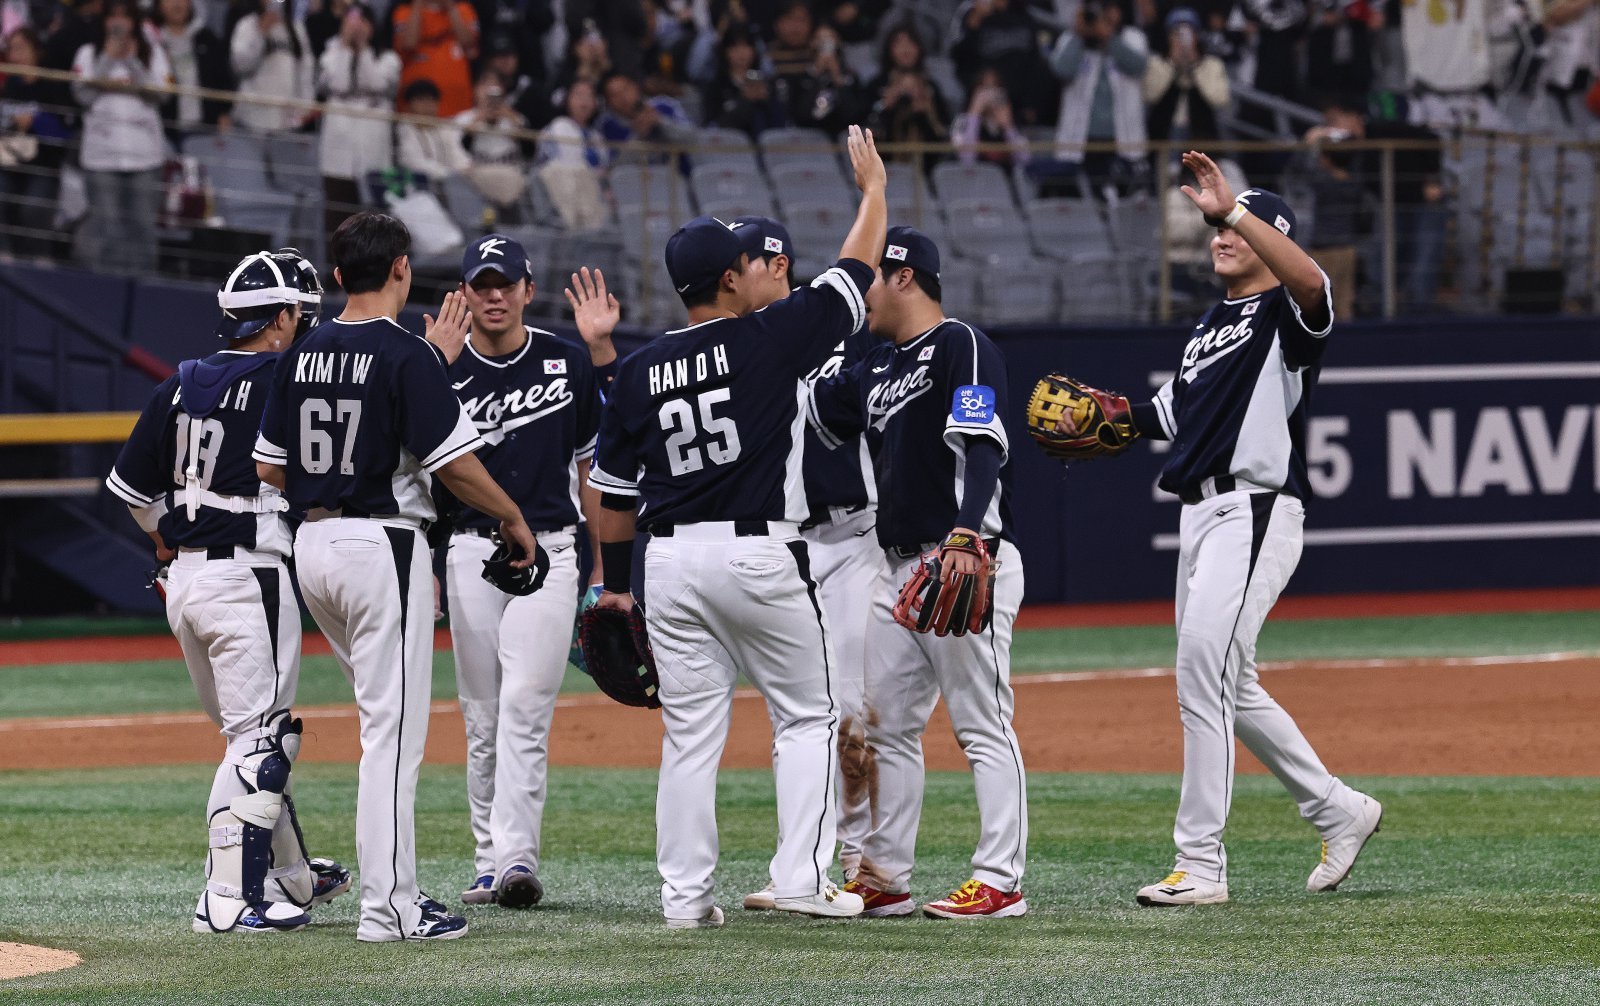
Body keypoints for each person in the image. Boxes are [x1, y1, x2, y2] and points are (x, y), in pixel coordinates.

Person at [1058, 152, 1382, 906]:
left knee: (1200, 675)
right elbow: (1169, 415)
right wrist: (1108, 419)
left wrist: (1237, 208)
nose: (1219, 235)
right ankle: (1338, 809)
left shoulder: (1286, 316)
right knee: (1227, 683)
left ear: (1273, 237)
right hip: (1200, 514)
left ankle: (1199, 865)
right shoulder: (1212, 323)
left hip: (1256, 508)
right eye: (1217, 227)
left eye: (1240, 227)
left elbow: (1316, 285)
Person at [585, 124, 888, 929]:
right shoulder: (768, 336)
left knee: (689, 735)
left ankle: (684, 900)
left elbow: (610, 494)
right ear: (730, 277)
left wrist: (616, 592)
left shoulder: (643, 368)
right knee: (808, 717)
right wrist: (875, 194)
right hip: (760, 553)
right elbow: (857, 270)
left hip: (670, 564)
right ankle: (800, 878)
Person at [252, 211, 538, 942]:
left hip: (312, 545)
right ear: (403, 269)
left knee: (383, 721)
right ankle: (390, 910)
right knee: (392, 735)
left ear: (340, 275)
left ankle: (399, 896)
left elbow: (268, 465)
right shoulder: (406, 352)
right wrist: (511, 516)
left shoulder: (305, 349)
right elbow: (454, 464)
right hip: (382, 544)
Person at [106, 249, 352, 935]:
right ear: (279, 318)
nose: (306, 327)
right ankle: (227, 899)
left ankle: (293, 875)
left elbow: (128, 490)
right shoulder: (288, 377)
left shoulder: (182, 380)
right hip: (248, 574)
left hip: (185, 579)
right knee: (259, 740)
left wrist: (166, 537)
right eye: (301, 315)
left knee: (252, 736)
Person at [806, 225, 1029, 920]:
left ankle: (1000, 879)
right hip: (897, 566)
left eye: (868, 278)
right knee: (886, 725)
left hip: (965, 553)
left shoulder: (959, 343)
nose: (861, 295)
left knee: (982, 722)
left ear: (903, 276)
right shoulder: (875, 364)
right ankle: (886, 875)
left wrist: (970, 533)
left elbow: (981, 439)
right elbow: (803, 401)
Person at [717, 216, 883, 914]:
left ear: (775, 264)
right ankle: (804, 864)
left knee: (848, 711)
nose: (728, 277)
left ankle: (858, 862)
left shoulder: (839, 334)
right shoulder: (739, 348)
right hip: (782, 545)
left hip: (852, 540)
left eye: (740, 262)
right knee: (798, 714)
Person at [439, 234, 609, 909]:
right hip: (468, 549)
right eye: (481, 285)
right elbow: (421, 481)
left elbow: (596, 465)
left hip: (552, 549)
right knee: (482, 717)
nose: (493, 295)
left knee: (524, 705)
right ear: (464, 294)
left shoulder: (566, 363)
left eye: (504, 283)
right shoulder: (443, 370)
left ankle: (516, 860)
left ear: (527, 291)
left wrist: (600, 563)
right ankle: (488, 860)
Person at [1304, 97, 1444, 313]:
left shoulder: (1385, 129)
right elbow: (1326, 177)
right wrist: (1313, 144)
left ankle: (1419, 313)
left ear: (1353, 117)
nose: (1331, 126)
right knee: (1383, 262)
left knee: (1421, 263)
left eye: (1334, 120)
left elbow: (1431, 139)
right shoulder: (1346, 151)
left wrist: (1432, 179)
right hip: (1390, 207)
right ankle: (1384, 311)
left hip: (1423, 204)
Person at [70, 0, 171, 274]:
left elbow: (161, 95)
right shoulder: (88, 54)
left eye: (125, 17)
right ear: (103, 21)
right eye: (112, 17)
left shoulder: (153, 53)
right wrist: (107, 60)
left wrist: (133, 63)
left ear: (135, 22)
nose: (118, 23)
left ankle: (144, 293)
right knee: (107, 227)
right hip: (102, 159)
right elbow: (83, 96)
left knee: (143, 229)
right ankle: (107, 294)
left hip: (145, 159)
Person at [1049, 0, 1150, 198]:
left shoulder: (1132, 37)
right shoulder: (1071, 38)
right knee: (1080, 203)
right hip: (1080, 142)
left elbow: (1138, 66)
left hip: (1124, 141)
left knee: (1123, 203)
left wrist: (1109, 38)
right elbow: (1062, 69)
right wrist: (1079, 35)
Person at [317, 2, 401, 233]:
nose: (356, 27)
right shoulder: (331, 53)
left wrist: (362, 48)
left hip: (373, 155)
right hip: (338, 156)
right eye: (351, 22)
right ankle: (334, 269)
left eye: (363, 22)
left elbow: (376, 84)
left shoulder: (388, 58)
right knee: (338, 222)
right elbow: (337, 83)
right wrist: (345, 47)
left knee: (373, 223)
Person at [1, 26, 71, 259]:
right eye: (11, 50)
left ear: (36, 51)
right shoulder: (9, 86)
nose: (15, 56)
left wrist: (34, 122)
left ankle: (39, 258)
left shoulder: (51, 84)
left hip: (43, 165)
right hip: (10, 162)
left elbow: (63, 132)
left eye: (20, 48)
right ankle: (5, 253)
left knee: (33, 206)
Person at [865, 26, 949, 174]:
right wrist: (887, 104)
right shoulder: (877, 85)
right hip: (884, 169)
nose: (906, 49)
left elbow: (942, 136)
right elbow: (867, 127)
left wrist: (924, 112)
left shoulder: (931, 87)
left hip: (925, 169)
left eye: (911, 43)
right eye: (899, 44)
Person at [1143, 8, 1230, 148]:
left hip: (1201, 139)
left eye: (1188, 33)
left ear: (1196, 36)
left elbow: (1219, 99)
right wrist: (1172, 63)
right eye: (1176, 33)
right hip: (1162, 139)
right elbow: (1150, 96)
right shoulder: (1156, 63)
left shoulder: (1212, 65)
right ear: (1168, 36)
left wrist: (1196, 64)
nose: (1182, 39)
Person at [229, 0, 317, 133]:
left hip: (286, 120)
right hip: (252, 118)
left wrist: (306, 107)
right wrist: (261, 32)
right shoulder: (247, 25)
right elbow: (240, 65)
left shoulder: (296, 29)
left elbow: (306, 70)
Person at [149, 0, 234, 135]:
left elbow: (223, 80)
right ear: (158, 6)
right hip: (165, 128)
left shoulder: (206, 38)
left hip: (206, 127)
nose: (176, 4)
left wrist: (224, 113)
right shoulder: (152, 42)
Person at [391, 0, 479, 118]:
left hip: (458, 108)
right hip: (415, 109)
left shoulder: (463, 9)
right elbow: (409, 43)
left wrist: (451, 8)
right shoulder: (404, 11)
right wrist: (417, 5)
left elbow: (469, 42)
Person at [701, 25, 787, 136]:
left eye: (746, 46)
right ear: (725, 51)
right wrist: (744, 101)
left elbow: (781, 123)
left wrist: (767, 100)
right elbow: (713, 126)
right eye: (735, 48)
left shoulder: (768, 83)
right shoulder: (715, 87)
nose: (741, 53)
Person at [952, 67, 1029, 169]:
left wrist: (1008, 127)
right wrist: (974, 115)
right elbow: (967, 159)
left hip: (1006, 179)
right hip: (975, 179)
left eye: (994, 87)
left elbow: (1025, 161)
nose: (990, 95)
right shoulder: (962, 121)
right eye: (985, 88)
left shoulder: (1011, 123)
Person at [396, 78, 471, 180]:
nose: (427, 106)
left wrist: (467, 170)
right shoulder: (404, 130)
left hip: (449, 183)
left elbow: (457, 154)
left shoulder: (444, 129)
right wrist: (448, 174)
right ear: (409, 105)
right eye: (421, 100)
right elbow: (413, 162)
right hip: (417, 186)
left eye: (432, 100)